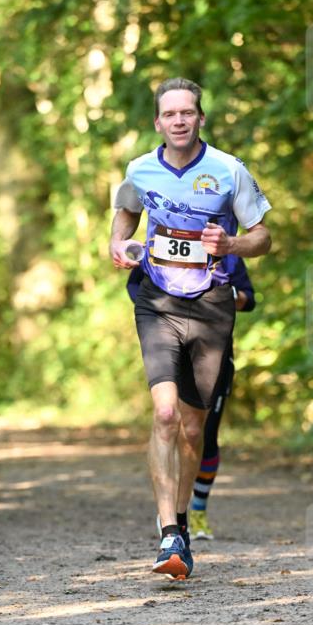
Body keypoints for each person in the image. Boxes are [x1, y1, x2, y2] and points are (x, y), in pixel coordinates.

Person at [110, 77, 271, 579]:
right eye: (170, 114)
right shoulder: (139, 169)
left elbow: (262, 236)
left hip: (211, 305)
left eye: (188, 112)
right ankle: (169, 534)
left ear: (200, 118)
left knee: (195, 425)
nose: (179, 120)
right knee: (164, 414)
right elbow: (125, 215)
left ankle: (181, 519)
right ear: (158, 122)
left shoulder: (228, 170)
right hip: (156, 300)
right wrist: (117, 244)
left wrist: (232, 246)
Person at [127, 255, 256, 542]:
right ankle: (173, 519)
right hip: (169, 338)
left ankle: (196, 508)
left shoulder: (227, 253)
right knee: (166, 415)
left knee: (201, 433)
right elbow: (135, 286)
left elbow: (250, 298)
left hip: (214, 344)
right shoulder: (162, 241)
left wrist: (228, 296)